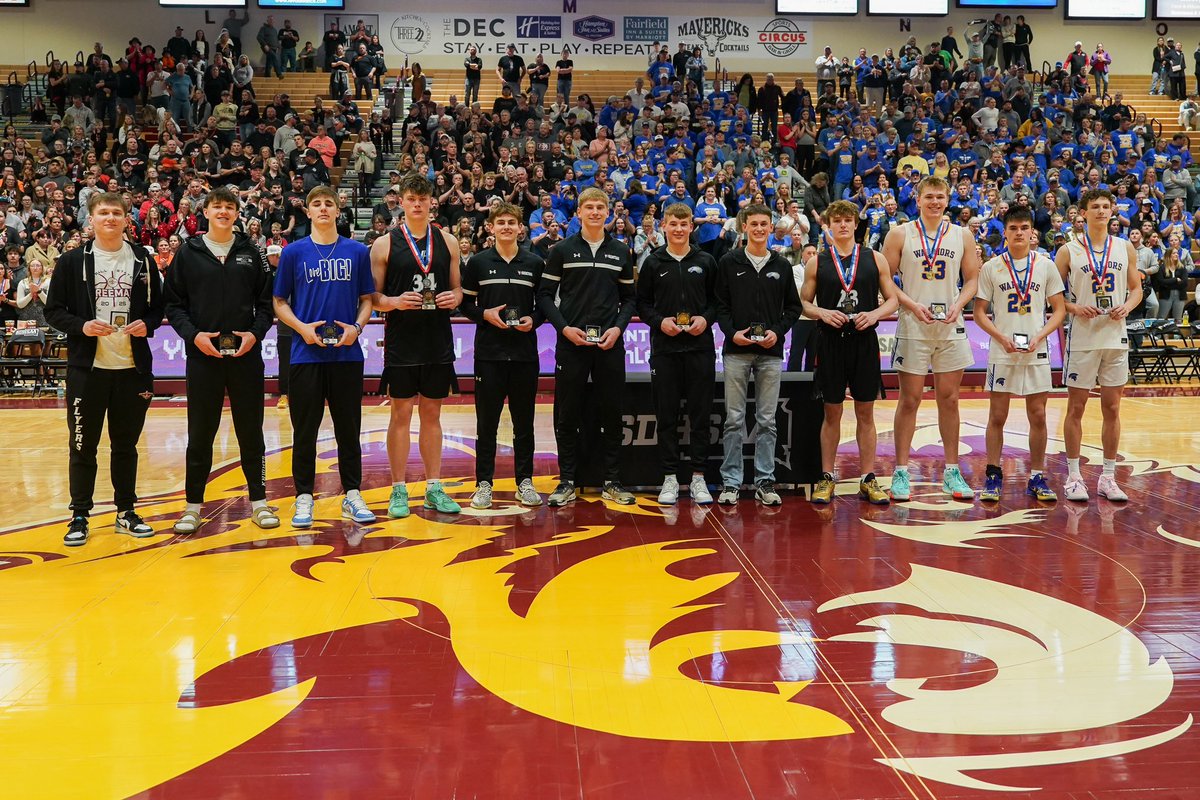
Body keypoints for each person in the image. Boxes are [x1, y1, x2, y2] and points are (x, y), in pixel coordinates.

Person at [44, 192, 164, 546]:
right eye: (103, 213)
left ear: (127, 219)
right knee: (82, 446)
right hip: (88, 369)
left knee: (125, 446)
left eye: (116, 213)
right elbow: (54, 311)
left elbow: (159, 307)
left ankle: (125, 511)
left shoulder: (143, 259)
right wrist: (81, 326)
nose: (110, 218)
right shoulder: (71, 261)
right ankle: (80, 514)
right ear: (91, 219)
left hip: (132, 368)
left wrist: (148, 324)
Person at [163, 186, 278, 535]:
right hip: (203, 357)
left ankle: (259, 502)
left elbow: (266, 304)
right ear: (206, 212)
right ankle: (192, 507)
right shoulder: (189, 252)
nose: (224, 212)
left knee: (251, 432)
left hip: (245, 357)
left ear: (236, 213)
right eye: (218, 207)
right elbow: (173, 305)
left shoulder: (252, 252)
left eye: (230, 207)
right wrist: (194, 336)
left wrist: (254, 335)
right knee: (200, 433)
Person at [272, 186, 376, 528]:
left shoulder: (357, 251)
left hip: (347, 354)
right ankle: (304, 496)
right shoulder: (293, 253)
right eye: (316, 204)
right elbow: (279, 302)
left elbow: (367, 300)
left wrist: (357, 330)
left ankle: (352, 493)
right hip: (305, 354)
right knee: (304, 431)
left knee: (349, 430)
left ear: (338, 209)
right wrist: (302, 328)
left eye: (328, 204)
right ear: (308, 211)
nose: (322, 209)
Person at [369, 172, 464, 518]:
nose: (418, 204)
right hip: (402, 341)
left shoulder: (448, 241)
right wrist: (394, 302)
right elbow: (373, 297)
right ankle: (398, 489)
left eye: (423, 199)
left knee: (432, 414)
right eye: (412, 199)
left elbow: (458, 291)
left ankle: (434, 488)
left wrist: (452, 298)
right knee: (400, 414)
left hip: (437, 339)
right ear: (402, 202)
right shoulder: (383, 244)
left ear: (431, 203)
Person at [883, 176, 981, 502]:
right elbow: (887, 282)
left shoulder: (961, 235)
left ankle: (952, 470)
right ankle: (900, 471)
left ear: (948, 199)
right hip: (913, 324)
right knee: (909, 399)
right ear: (918, 198)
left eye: (940, 197)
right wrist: (911, 304)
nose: (935, 202)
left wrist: (958, 305)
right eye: (929, 197)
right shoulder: (900, 233)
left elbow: (972, 279)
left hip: (950, 324)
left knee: (950, 399)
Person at [536, 187, 637, 507]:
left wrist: (618, 330)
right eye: (589, 207)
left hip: (609, 345)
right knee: (567, 413)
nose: (595, 212)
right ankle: (566, 480)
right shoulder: (561, 250)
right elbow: (543, 296)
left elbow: (629, 298)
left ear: (608, 213)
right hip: (572, 344)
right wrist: (564, 329)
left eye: (600, 207)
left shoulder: (621, 251)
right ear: (578, 212)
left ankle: (612, 479)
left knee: (612, 411)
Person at [801, 201, 898, 505]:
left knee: (865, 413)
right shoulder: (816, 261)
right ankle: (826, 476)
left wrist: (876, 315)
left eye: (848, 220)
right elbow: (803, 303)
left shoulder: (875, 258)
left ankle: (868, 478)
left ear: (856, 224)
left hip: (864, 340)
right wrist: (822, 313)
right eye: (837, 220)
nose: (843, 225)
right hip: (829, 341)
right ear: (827, 225)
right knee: (832, 412)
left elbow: (893, 300)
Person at [973, 207, 1067, 503]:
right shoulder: (991, 267)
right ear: (1005, 231)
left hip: (1037, 350)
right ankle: (993, 474)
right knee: (997, 415)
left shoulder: (1046, 265)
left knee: (1038, 414)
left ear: (1031, 232)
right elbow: (979, 314)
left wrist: (1040, 336)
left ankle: (1037, 475)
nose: (1018, 233)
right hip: (1003, 351)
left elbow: (1059, 310)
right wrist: (1000, 337)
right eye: (1012, 228)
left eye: (1023, 227)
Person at [714, 204, 803, 506]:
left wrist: (777, 333)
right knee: (733, 420)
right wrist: (731, 333)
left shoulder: (781, 265)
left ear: (771, 227)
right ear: (744, 227)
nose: (759, 229)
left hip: (770, 352)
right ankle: (731, 482)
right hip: (736, 351)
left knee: (767, 420)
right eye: (754, 224)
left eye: (764, 224)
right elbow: (720, 306)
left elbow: (793, 308)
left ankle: (765, 481)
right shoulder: (729, 262)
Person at [1057, 189, 1141, 502]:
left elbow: (1136, 289)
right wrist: (1074, 308)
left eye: (1106, 206)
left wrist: (1128, 307)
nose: (1101, 212)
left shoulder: (1124, 247)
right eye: (1095, 207)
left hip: (1114, 336)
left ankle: (1108, 476)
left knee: (1113, 408)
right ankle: (1074, 475)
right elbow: (1054, 296)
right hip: (1082, 337)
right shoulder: (1068, 251)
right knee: (1076, 408)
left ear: (1112, 211)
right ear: (1083, 213)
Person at [459, 202, 544, 509]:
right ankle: (484, 484)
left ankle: (525, 481)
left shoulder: (534, 262)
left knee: (525, 423)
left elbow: (543, 305)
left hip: (524, 355)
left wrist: (534, 320)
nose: (507, 226)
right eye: (501, 222)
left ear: (520, 228)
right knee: (487, 424)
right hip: (489, 355)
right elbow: (465, 305)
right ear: (491, 228)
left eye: (512, 222)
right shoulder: (479, 263)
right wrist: (485, 315)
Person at [635, 203, 718, 506]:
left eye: (684, 224)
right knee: (666, 416)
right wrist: (660, 322)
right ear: (664, 226)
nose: (679, 229)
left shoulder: (707, 261)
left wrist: (705, 320)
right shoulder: (653, 262)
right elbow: (641, 304)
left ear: (691, 227)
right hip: (665, 350)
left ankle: (698, 478)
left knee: (700, 415)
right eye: (673, 224)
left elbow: (716, 302)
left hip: (700, 348)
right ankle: (669, 477)